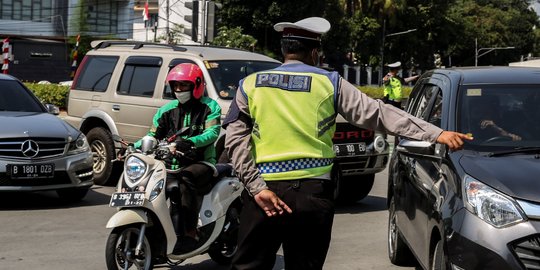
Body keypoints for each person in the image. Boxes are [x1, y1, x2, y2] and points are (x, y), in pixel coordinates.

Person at [222, 17, 471, 270]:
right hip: (312, 193)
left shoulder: (251, 85)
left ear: (284, 50)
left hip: (265, 193)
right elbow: (377, 113)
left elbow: (235, 141)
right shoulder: (329, 82)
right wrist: (435, 133)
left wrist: (256, 188)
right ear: (315, 52)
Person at [135, 63, 221, 254]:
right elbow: (152, 135)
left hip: (200, 163)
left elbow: (212, 133)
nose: (179, 90)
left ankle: (190, 232)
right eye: (175, 86)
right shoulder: (166, 110)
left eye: (183, 85)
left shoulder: (210, 107)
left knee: (185, 179)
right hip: (168, 164)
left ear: (197, 85)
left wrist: (189, 142)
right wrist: (133, 146)